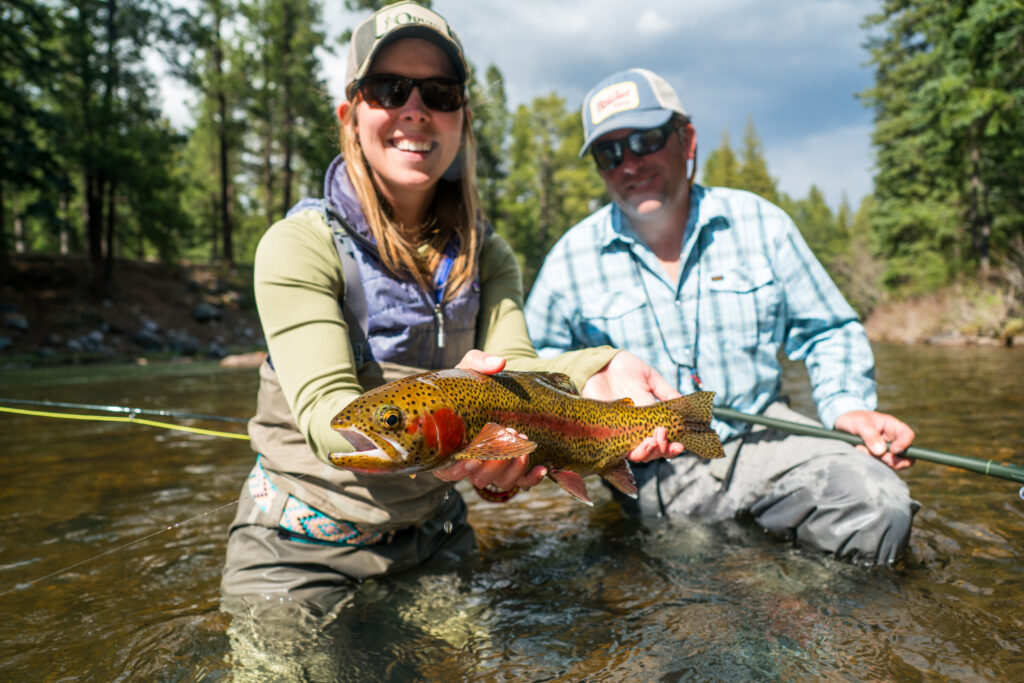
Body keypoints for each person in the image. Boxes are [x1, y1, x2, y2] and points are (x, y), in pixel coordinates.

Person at [220, 6, 686, 609]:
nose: (415, 108)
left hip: (438, 540)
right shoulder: (300, 244)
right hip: (298, 550)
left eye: (439, 93)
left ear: (462, 120)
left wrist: (599, 368)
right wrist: (450, 420)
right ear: (350, 115)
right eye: (389, 89)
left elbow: (514, 375)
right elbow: (325, 416)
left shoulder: (489, 254)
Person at [524, 68, 920, 566]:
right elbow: (534, 370)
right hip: (653, 469)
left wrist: (847, 406)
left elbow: (828, 329)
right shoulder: (568, 260)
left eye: (646, 140)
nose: (630, 163)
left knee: (880, 507)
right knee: (688, 584)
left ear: (686, 139)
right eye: (610, 153)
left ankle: (822, 616)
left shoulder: (760, 222)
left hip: (766, 434)